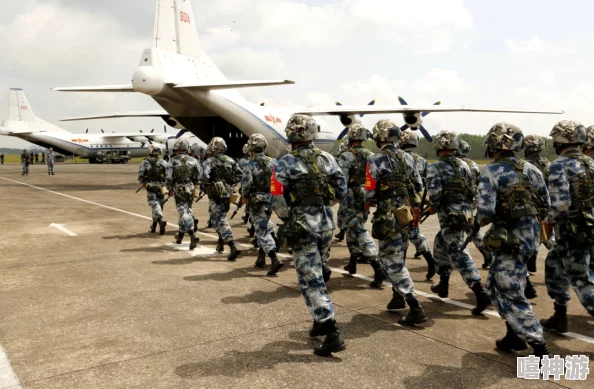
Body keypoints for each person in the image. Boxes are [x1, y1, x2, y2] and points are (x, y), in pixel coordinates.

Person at [272, 114, 347, 356]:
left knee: (310, 279)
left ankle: (331, 330)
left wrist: (288, 219)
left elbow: (276, 195)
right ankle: (318, 321)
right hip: (325, 223)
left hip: (302, 225)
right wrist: (326, 205)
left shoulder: (284, 163)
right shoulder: (327, 158)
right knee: (318, 270)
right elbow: (342, 188)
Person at [478, 122, 551, 357]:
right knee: (497, 285)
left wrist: (476, 223)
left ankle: (540, 347)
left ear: (494, 143)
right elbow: (546, 206)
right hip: (530, 239)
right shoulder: (533, 170)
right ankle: (513, 336)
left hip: (508, 241)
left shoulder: (491, 171)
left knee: (510, 292)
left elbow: (485, 212)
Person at [364, 119, 428, 324]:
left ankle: (415, 306)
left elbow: (369, 191)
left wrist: (366, 203)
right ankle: (397, 297)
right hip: (406, 214)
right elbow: (418, 185)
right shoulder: (408, 158)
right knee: (399, 254)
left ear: (380, 137)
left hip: (388, 215)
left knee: (390, 259)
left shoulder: (375, 159)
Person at [425, 130, 491, 315]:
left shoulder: (436, 167)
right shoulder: (465, 164)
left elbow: (435, 195)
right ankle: (443, 284)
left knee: (457, 252)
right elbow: (473, 190)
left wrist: (432, 207)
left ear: (439, 146)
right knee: (440, 244)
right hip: (466, 213)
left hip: (449, 216)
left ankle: (479, 291)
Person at [540, 120, 594, 333]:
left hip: (573, 231)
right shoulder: (590, 163)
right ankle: (559, 315)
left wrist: (548, 221)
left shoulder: (559, 165)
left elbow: (561, 204)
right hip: (589, 225)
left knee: (580, 278)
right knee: (553, 266)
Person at [337, 125, 386, 286]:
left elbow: (341, 180)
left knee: (358, 229)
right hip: (366, 196)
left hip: (350, 196)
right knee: (353, 228)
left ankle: (377, 267)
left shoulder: (345, 156)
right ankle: (352, 262)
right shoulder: (371, 155)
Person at [242, 134, 282, 274]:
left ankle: (274, 258)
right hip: (270, 198)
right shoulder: (274, 162)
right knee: (264, 222)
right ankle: (261, 257)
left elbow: (247, 183)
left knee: (261, 230)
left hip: (256, 200)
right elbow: (278, 182)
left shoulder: (248, 163)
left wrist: (244, 196)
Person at [398, 130, 436, 280]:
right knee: (411, 229)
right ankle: (425, 260)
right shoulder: (421, 160)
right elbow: (426, 181)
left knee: (406, 232)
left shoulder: (399, 158)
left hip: (402, 200)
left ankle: (427, 261)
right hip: (416, 201)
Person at [455, 140, 494, 271]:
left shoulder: (457, 164)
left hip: (458, 202)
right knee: (472, 228)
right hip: (471, 201)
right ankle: (488, 254)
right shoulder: (473, 165)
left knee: (458, 229)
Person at [201, 137, 243, 261]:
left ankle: (232, 245)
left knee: (218, 220)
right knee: (220, 216)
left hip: (215, 194)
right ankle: (220, 242)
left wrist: (207, 185)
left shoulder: (209, 161)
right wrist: (229, 183)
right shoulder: (230, 160)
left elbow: (204, 176)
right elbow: (240, 175)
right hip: (227, 194)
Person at [166, 139, 202, 250]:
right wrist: (195, 185)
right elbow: (200, 174)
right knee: (187, 210)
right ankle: (180, 235)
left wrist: (170, 189)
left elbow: (168, 177)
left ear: (176, 149)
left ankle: (192, 235)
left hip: (179, 188)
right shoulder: (193, 160)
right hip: (190, 188)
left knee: (182, 211)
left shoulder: (172, 161)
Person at [139, 145, 168, 235]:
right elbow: (169, 174)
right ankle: (154, 226)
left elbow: (140, 176)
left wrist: (143, 182)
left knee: (154, 204)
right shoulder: (163, 162)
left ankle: (160, 221)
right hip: (161, 187)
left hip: (150, 186)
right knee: (159, 204)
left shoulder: (145, 162)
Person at [334, 142, 349, 242]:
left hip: (348, 191)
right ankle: (342, 232)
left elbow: (343, 177)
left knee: (343, 213)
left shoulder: (345, 159)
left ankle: (343, 232)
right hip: (360, 190)